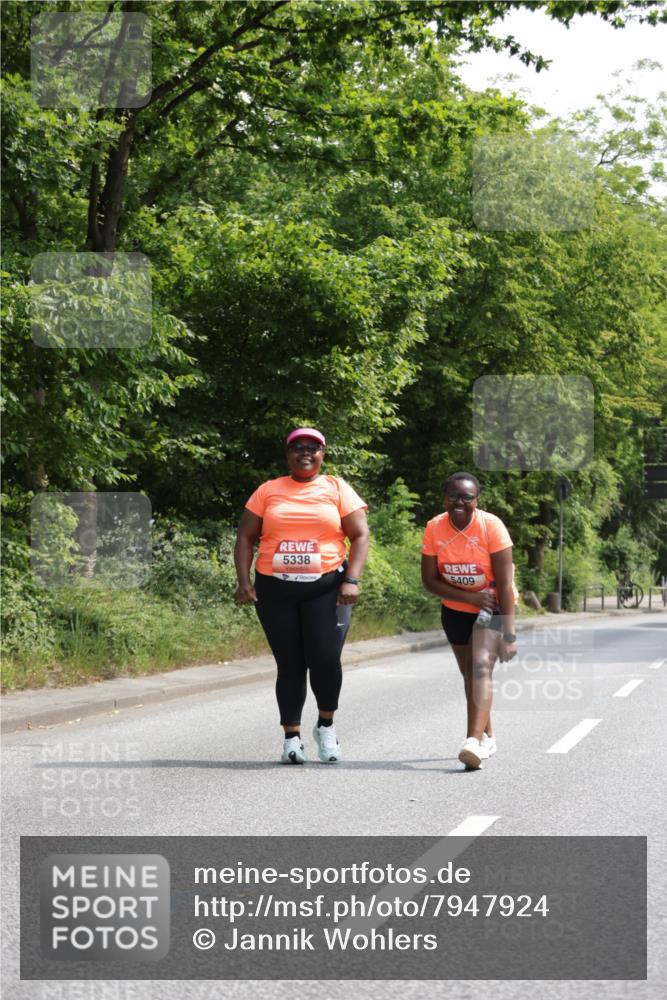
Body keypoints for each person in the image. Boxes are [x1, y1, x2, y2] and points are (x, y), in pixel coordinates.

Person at [234, 428, 369, 765]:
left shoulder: (336, 488)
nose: (305, 453)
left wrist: (351, 579)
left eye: (313, 448)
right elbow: (245, 537)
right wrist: (243, 581)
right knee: (290, 664)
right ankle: (291, 738)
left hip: (326, 590)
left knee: (325, 660)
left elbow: (361, 534)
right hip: (275, 589)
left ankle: (326, 726)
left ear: (323, 454)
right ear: (288, 454)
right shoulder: (268, 490)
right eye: (298, 448)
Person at [421, 471, 518, 770]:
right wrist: (470, 598)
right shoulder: (435, 528)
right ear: (444, 498)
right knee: (470, 676)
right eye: (453, 496)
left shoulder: (491, 526)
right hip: (456, 609)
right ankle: (488, 737)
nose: (459, 502)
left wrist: (509, 634)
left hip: (494, 607)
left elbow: (503, 584)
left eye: (467, 497)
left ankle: (472, 743)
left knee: (479, 669)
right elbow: (430, 581)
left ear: (477, 499)